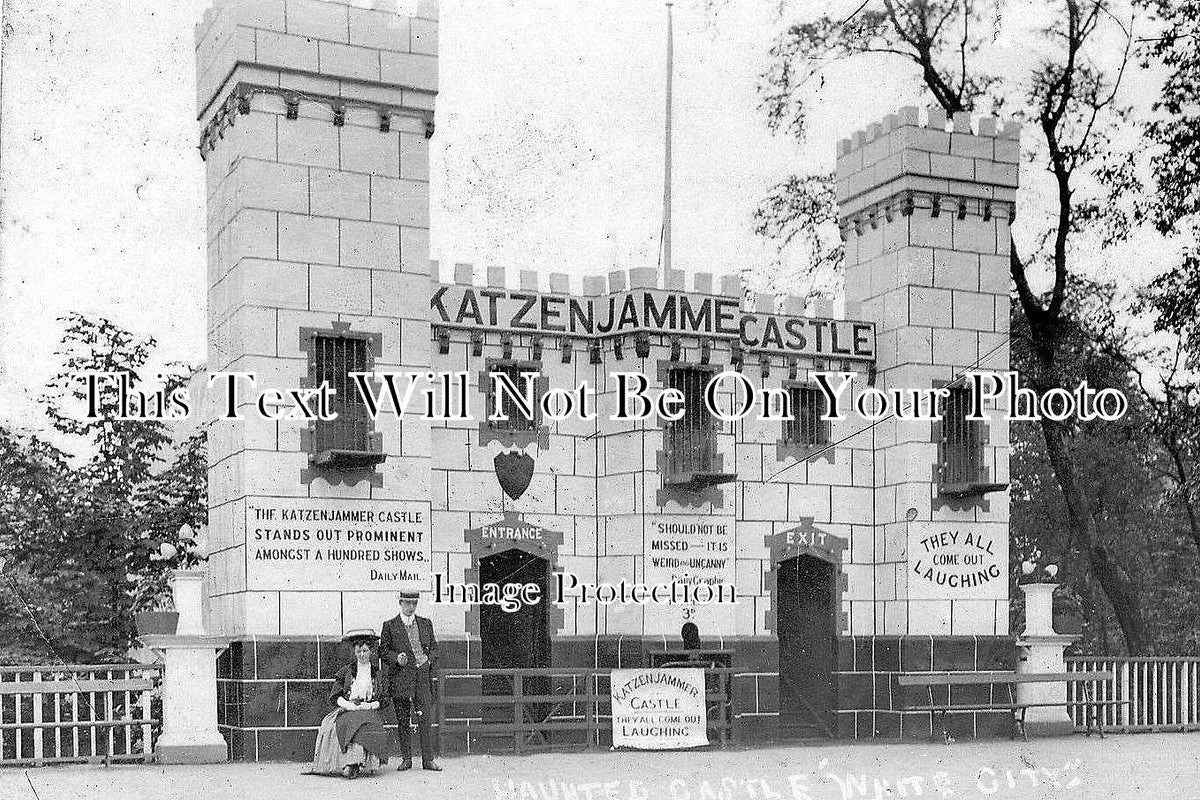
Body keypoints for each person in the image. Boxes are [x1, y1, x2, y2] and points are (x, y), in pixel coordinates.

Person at [309, 629, 395, 779]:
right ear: (354, 652)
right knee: (333, 725)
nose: (362, 655)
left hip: (368, 710)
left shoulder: (378, 674)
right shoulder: (346, 672)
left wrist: (368, 705)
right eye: (358, 651)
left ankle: (354, 763)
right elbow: (335, 696)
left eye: (365, 651)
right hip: (348, 709)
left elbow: (385, 699)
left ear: (371, 651)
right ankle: (346, 764)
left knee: (364, 725)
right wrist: (349, 705)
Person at [380, 590, 441, 771]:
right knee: (403, 720)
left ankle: (428, 760)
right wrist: (396, 658)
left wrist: (428, 660)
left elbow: (435, 649)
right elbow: (383, 651)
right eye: (407, 603)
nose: (411, 607)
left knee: (425, 719)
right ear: (400, 603)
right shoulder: (390, 625)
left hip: (422, 678)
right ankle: (406, 759)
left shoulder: (425, 623)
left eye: (414, 603)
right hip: (400, 678)